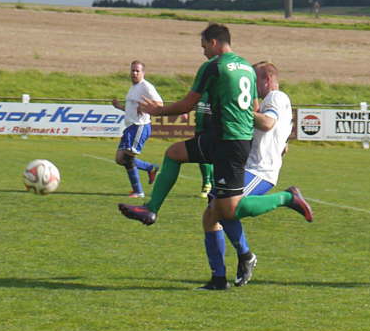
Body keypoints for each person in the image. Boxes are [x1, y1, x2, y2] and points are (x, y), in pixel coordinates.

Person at [117, 24, 313, 291]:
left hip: (240, 151)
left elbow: (194, 106)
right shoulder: (244, 66)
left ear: (212, 42)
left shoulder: (221, 70)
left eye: (203, 46)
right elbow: (257, 112)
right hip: (225, 140)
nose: (202, 52)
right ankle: (215, 275)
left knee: (223, 210)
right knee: (180, 164)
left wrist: (157, 111)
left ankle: (283, 203)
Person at [214, 61, 294, 287]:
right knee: (216, 205)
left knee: (222, 207)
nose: (250, 85)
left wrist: (238, 110)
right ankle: (243, 257)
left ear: (267, 80)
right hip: (251, 166)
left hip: (260, 169)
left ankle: (286, 198)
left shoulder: (277, 98)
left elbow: (267, 123)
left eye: (254, 80)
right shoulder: (273, 101)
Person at [112, 60, 162, 198]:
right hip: (130, 127)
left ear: (143, 73)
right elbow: (131, 109)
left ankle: (138, 191)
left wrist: (145, 107)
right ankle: (150, 168)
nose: (134, 73)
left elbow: (159, 103)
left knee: (127, 158)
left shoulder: (146, 86)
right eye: (132, 70)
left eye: (137, 71)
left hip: (139, 126)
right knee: (119, 159)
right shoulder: (133, 88)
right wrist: (119, 107)